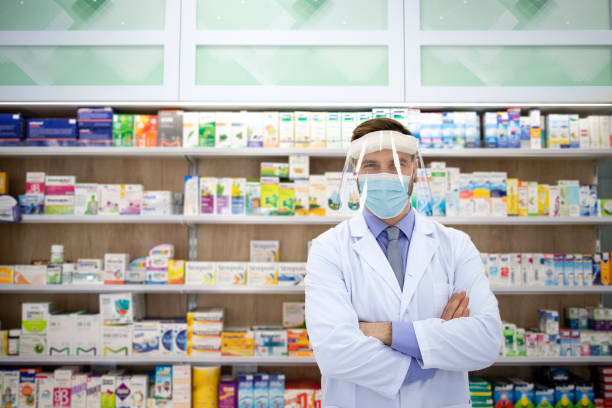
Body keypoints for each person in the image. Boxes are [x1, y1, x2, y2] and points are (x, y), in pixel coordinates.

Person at [305, 118, 502, 408]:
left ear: (414, 172)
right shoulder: (328, 249)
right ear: (356, 173)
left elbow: (486, 342)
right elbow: (335, 353)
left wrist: (385, 331)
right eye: (372, 165)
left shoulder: (455, 245)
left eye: (398, 164)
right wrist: (434, 350)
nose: (386, 175)